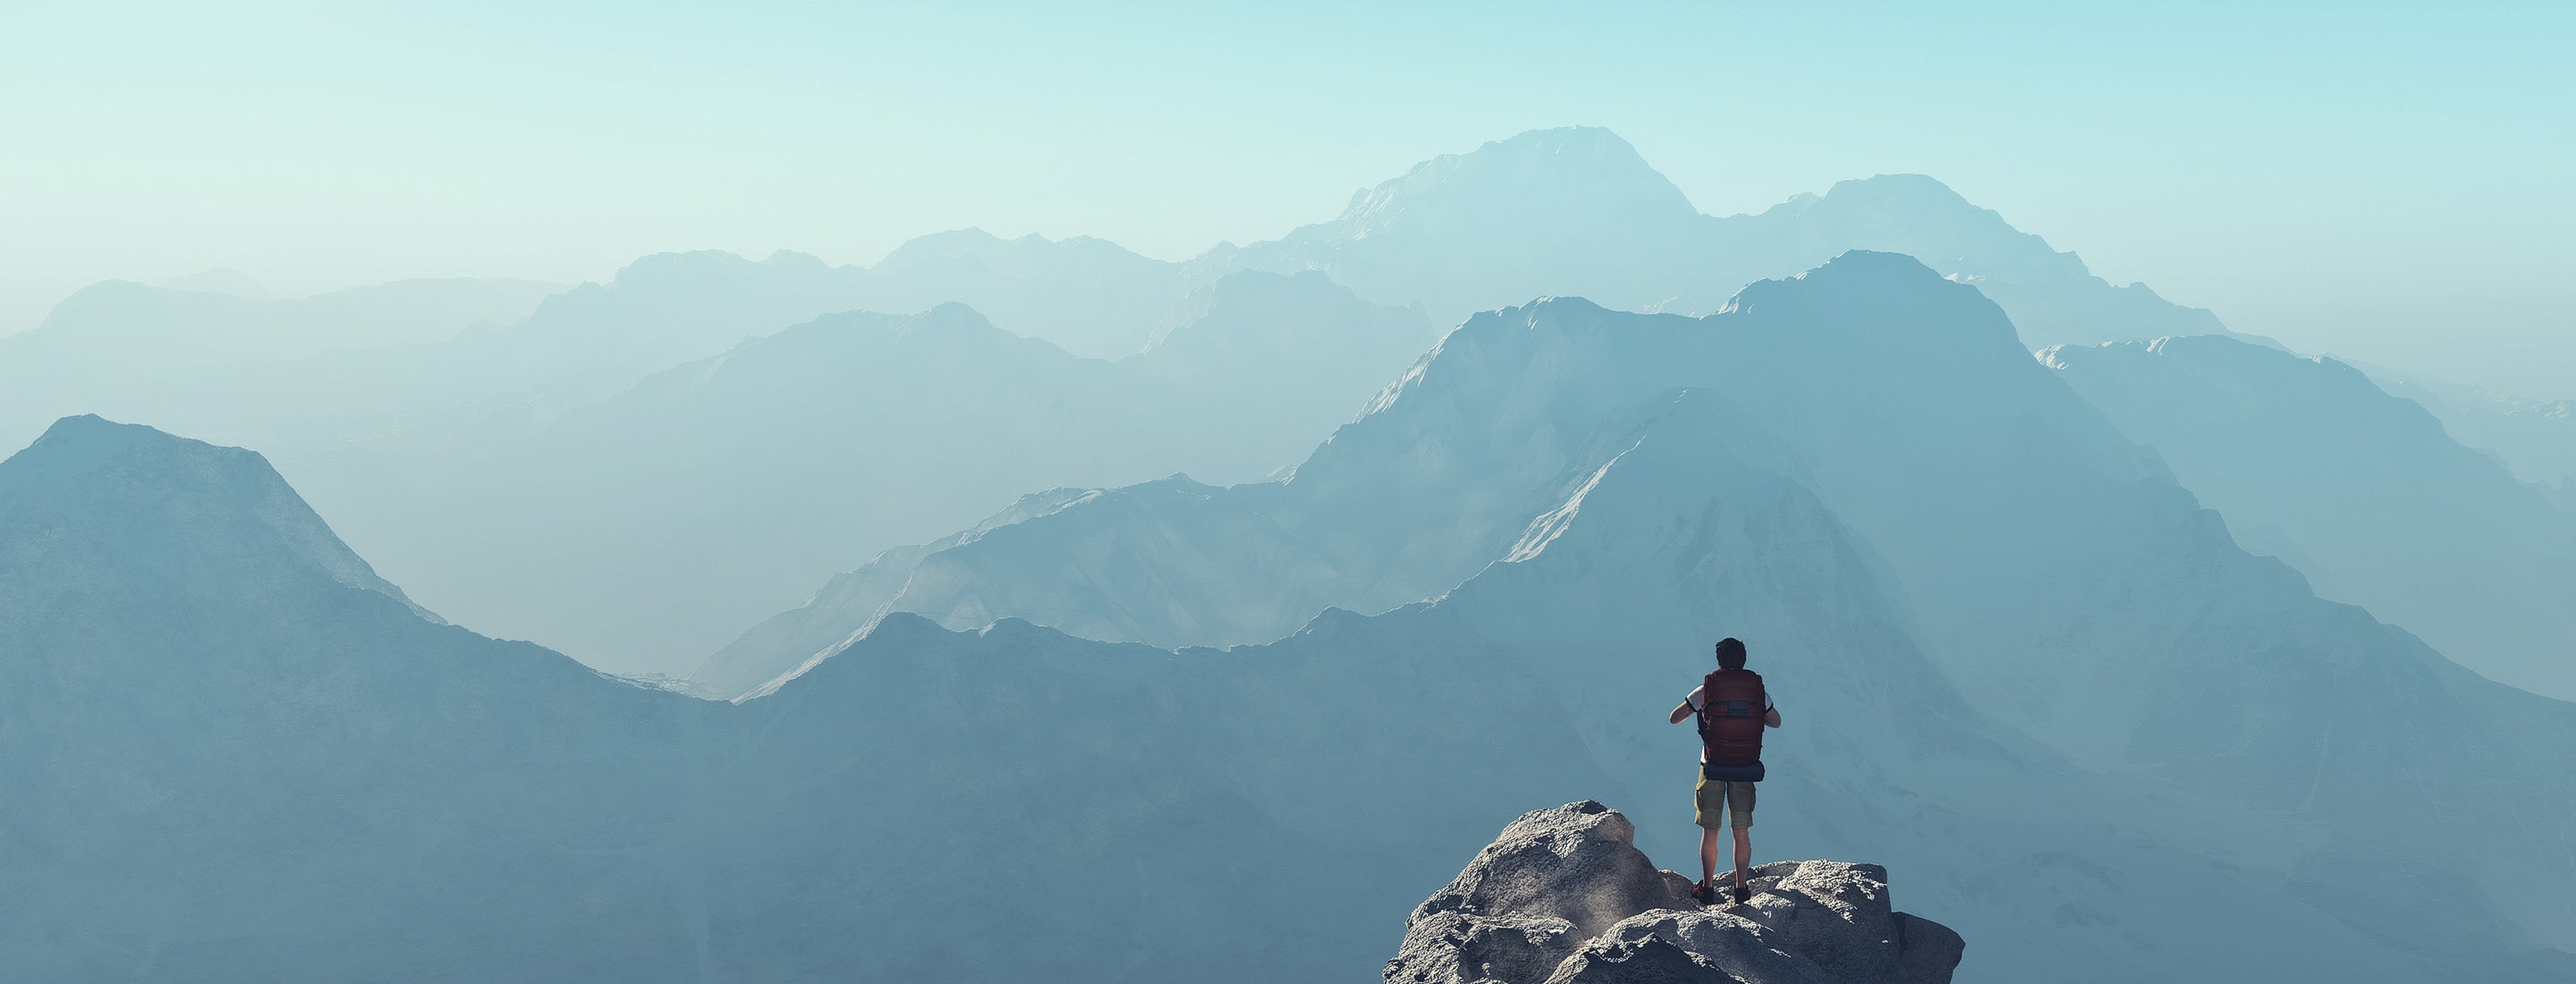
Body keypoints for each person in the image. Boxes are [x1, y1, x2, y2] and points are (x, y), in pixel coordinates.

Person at [1666, 637, 1779, 904]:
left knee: (1711, 830)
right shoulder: (1756, 690)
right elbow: (1775, 721)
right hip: (1744, 767)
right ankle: (1741, 889)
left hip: (1712, 765)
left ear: (1719, 660)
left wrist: (1701, 709)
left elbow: (1674, 717)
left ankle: (1707, 888)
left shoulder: (1707, 688)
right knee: (1741, 831)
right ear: (1743, 660)